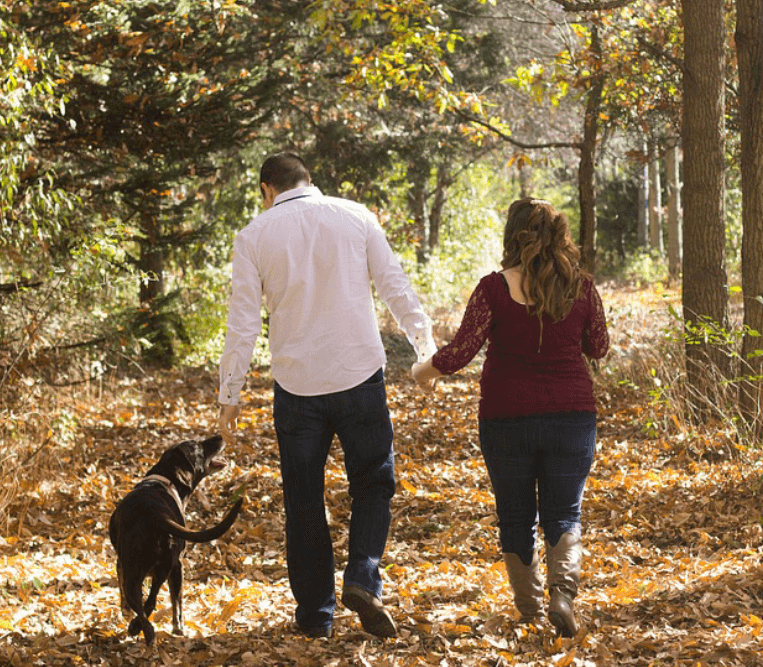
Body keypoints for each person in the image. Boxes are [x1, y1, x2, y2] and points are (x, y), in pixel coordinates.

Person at [217, 152, 436, 639]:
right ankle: (362, 576)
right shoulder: (355, 216)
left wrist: (229, 391)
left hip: (297, 388)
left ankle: (317, 617)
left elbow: (243, 322)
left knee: (303, 501)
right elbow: (395, 287)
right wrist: (427, 349)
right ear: (308, 180)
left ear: (265, 189)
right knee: (374, 484)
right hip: (359, 376)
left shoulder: (253, 236)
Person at [410, 198, 609, 637]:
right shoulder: (581, 286)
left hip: (507, 419)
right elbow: (598, 346)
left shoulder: (494, 289)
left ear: (512, 235)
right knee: (564, 513)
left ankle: (530, 610)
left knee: (515, 515)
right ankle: (562, 594)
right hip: (571, 417)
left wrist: (421, 371)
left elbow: (461, 351)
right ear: (560, 236)